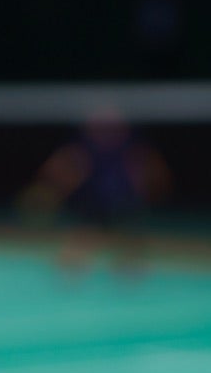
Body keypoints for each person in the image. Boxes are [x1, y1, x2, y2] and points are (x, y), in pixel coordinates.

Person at [20, 107, 171, 277]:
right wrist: (50, 191)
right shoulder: (80, 150)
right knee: (73, 258)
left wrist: (150, 187)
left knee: (132, 256)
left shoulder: (135, 149)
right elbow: (57, 170)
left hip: (124, 205)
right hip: (93, 205)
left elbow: (156, 174)